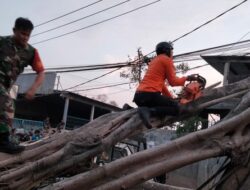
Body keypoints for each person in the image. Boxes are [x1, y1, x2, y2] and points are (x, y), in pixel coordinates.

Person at [0, 17, 45, 154]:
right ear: (14, 30)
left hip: (6, 85)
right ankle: (2, 142)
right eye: (22, 33)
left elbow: (41, 72)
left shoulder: (31, 52)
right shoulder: (2, 42)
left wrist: (33, 89)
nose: (25, 37)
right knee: (7, 104)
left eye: (27, 35)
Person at [133, 41, 199, 129]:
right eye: (172, 51)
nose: (172, 54)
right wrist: (187, 78)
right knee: (177, 108)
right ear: (167, 51)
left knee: (167, 104)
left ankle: (129, 108)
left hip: (139, 97)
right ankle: (149, 111)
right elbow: (173, 82)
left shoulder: (154, 61)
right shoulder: (166, 60)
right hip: (150, 96)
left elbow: (162, 86)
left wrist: (170, 99)